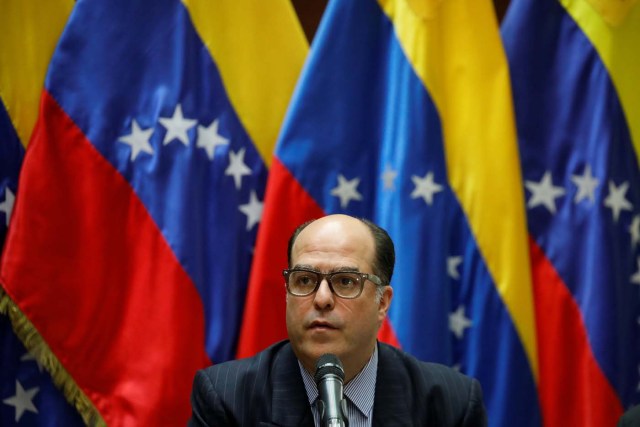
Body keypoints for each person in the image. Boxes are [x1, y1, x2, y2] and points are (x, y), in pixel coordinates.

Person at [189, 214, 487, 426]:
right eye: (305, 280)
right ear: (287, 293)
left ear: (382, 302)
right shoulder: (227, 398)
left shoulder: (450, 404)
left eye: (345, 281)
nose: (321, 299)